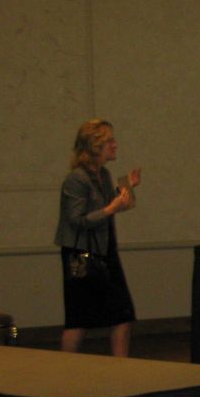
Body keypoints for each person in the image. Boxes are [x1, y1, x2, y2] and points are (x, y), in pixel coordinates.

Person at [53, 118, 140, 356]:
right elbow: (78, 220)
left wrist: (127, 188)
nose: (115, 145)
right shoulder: (77, 179)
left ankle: (121, 368)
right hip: (81, 255)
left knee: (122, 314)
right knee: (78, 319)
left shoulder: (103, 174)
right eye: (109, 141)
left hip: (104, 250)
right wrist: (112, 208)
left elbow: (102, 205)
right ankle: (64, 369)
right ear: (95, 146)